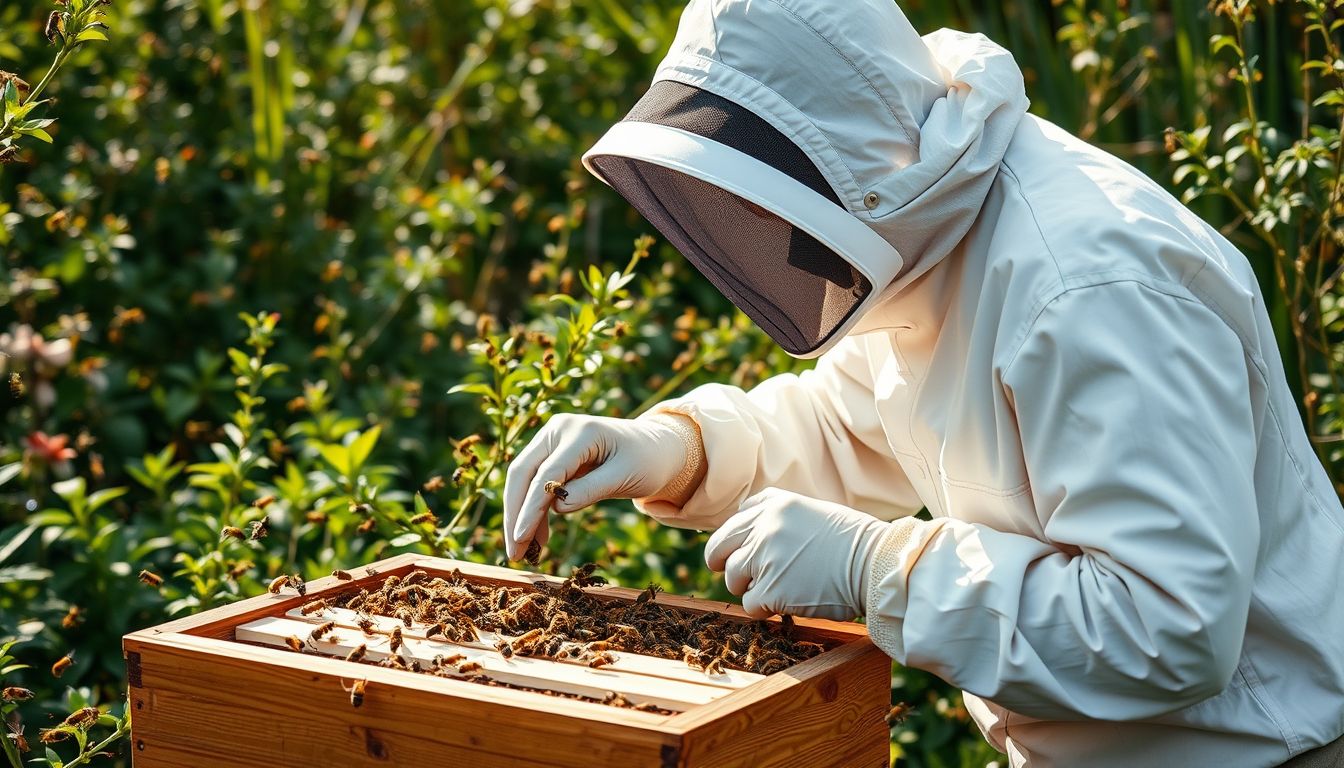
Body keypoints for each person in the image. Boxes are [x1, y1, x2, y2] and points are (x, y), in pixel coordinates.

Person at [500, 1, 1344, 765]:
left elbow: (1168, 628)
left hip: (1267, 748)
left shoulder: (1088, 290)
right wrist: (681, 449)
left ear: (835, 143)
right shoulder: (932, 222)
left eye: (762, 192)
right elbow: (855, 422)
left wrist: (881, 569)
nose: (765, 228)